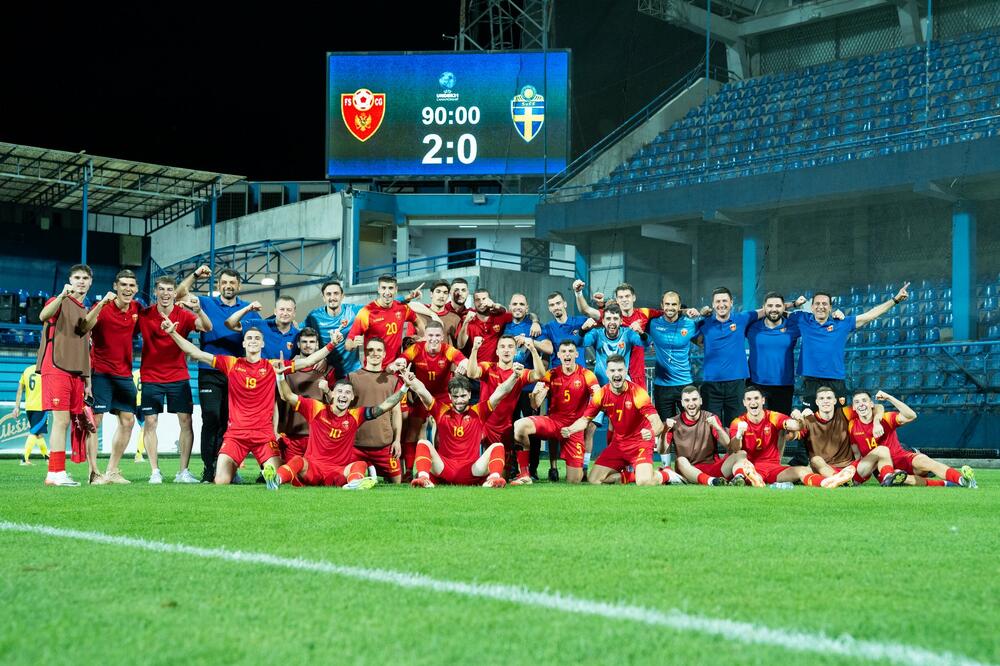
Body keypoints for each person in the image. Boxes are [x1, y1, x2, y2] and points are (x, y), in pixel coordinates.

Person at [264, 369, 407, 490]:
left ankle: (354, 484)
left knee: (361, 464)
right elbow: (288, 396)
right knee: (297, 460)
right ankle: (276, 481)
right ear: (332, 394)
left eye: (347, 393)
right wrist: (280, 376)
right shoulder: (316, 408)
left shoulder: (356, 415)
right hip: (313, 469)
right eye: (340, 391)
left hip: (338, 473)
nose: (343, 395)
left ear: (352, 397)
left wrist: (405, 387)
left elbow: (384, 406)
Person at [175, 265, 251, 483]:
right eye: (224, 282)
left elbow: (255, 335)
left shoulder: (247, 308)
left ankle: (227, 468)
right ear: (218, 285)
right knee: (211, 417)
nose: (228, 286)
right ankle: (209, 468)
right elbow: (179, 294)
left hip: (235, 373)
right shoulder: (206, 303)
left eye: (232, 283)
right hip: (209, 370)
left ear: (239, 286)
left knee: (230, 422)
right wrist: (196, 275)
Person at [788, 283, 909, 410]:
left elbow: (870, 315)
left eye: (825, 304)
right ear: (812, 307)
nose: (821, 307)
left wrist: (895, 300)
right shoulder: (802, 319)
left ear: (830, 308)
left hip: (836, 381)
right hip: (811, 381)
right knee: (809, 418)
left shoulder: (842, 323)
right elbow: (775, 312)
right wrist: (793, 304)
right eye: (817, 303)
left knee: (840, 419)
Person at [137, 276, 211, 484]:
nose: (165, 293)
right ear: (155, 292)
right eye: (161, 289)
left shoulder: (183, 315)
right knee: (150, 422)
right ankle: (155, 471)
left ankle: (183, 472)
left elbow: (207, 327)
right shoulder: (144, 314)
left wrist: (199, 310)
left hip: (178, 376)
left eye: (169, 289)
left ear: (174, 293)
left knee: (186, 421)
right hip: (151, 376)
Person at [406, 369, 522, 489]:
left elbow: (501, 392)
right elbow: (422, 392)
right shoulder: (441, 410)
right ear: (449, 396)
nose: (459, 400)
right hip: (445, 468)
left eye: (463, 396)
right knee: (423, 443)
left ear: (469, 394)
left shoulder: (479, 412)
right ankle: (424, 479)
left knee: (498, 446)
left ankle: (494, 479)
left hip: (471, 470)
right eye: (455, 396)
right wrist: (410, 379)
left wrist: (515, 376)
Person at [560, 356, 666, 485]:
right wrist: (570, 429)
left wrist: (651, 432)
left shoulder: (638, 394)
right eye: (613, 370)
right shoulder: (601, 394)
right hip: (619, 445)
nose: (616, 374)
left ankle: (665, 474)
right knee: (594, 480)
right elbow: (584, 420)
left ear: (625, 371)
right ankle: (630, 476)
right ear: (607, 373)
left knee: (644, 482)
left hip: (640, 443)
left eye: (620, 370)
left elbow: (658, 424)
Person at [81, 269, 141, 484]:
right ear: (115, 286)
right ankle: (94, 473)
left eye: (131, 285)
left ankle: (112, 471)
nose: (127, 289)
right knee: (95, 422)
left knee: (128, 421)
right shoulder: (103, 308)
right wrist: (100, 305)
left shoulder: (137, 309)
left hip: (124, 374)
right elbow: (83, 327)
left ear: (136, 288)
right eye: (123, 284)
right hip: (100, 373)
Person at [37, 264, 94, 487]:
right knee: (60, 421)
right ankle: (57, 472)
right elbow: (43, 315)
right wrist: (61, 295)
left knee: (65, 421)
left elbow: (85, 350)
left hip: (75, 372)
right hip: (56, 367)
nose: (81, 281)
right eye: (77, 277)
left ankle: (55, 473)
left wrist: (87, 382)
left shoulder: (84, 310)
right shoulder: (58, 300)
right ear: (70, 280)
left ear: (90, 282)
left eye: (85, 278)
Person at [513, 340, 601, 484]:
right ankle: (524, 474)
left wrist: (585, 419)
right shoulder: (551, 374)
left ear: (576, 354)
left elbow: (598, 398)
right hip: (553, 423)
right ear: (559, 355)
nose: (567, 355)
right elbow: (535, 404)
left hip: (574, 429)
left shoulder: (587, 374)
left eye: (571, 351)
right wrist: (535, 396)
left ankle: (580, 470)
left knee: (574, 480)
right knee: (519, 426)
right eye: (564, 352)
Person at [848, 390, 977, 488]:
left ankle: (963, 480)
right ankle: (947, 484)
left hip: (902, 457)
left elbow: (911, 415)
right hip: (883, 468)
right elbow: (857, 454)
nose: (861, 404)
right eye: (857, 402)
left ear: (871, 404)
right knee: (905, 478)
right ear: (853, 407)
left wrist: (889, 398)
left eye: (864, 400)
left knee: (925, 460)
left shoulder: (885, 418)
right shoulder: (852, 426)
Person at [730, 386, 850, 488]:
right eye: (749, 399)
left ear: (763, 400)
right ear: (744, 402)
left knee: (804, 470)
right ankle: (752, 478)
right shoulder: (738, 422)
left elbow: (795, 426)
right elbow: (734, 449)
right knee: (739, 462)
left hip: (774, 468)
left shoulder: (773, 416)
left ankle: (826, 482)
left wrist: (799, 418)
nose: (753, 402)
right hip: (750, 467)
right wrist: (739, 434)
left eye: (756, 398)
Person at [466, 334, 545, 484]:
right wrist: (474, 349)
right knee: (476, 476)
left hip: (505, 428)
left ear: (515, 351)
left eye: (510, 347)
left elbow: (540, 374)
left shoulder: (520, 373)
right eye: (502, 347)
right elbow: (471, 373)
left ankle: (524, 474)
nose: (506, 350)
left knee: (502, 476)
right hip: (484, 425)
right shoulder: (488, 367)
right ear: (497, 352)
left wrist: (533, 350)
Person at [392, 320, 468, 476]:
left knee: (443, 433)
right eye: (430, 335)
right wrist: (399, 362)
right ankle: (408, 472)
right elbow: (403, 358)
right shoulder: (417, 348)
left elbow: (464, 361)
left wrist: (464, 364)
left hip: (443, 397)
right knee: (412, 431)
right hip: (422, 395)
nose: (434, 339)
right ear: (425, 336)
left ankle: (442, 470)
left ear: (442, 337)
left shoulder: (447, 350)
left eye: (437, 336)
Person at [579, 303, 646, 472]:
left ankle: (626, 465)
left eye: (615, 318)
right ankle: (585, 467)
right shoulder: (597, 333)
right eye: (608, 318)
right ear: (603, 321)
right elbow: (581, 342)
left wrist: (641, 332)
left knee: (621, 428)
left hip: (622, 390)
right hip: (600, 389)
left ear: (621, 320)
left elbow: (644, 342)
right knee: (590, 427)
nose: (612, 322)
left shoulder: (627, 333)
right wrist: (583, 330)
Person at [534, 291, 590, 481]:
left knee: (585, 423)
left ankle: (583, 466)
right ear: (549, 308)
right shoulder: (548, 327)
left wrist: (593, 316)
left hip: (580, 381)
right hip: (557, 381)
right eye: (552, 304)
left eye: (558, 303)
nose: (556, 307)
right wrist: (534, 320)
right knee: (553, 424)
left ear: (565, 304)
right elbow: (545, 348)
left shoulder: (578, 322)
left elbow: (595, 317)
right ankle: (553, 467)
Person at [694, 287, 761, 427]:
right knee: (711, 428)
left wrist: (793, 304)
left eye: (725, 301)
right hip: (711, 384)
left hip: (736, 384)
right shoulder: (704, 323)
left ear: (731, 302)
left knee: (737, 427)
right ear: (712, 304)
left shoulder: (742, 318)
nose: (721, 304)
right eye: (718, 301)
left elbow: (767, 310)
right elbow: (694, 338)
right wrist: (700, 315)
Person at [662, 385, 751, 486]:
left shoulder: (710, 417)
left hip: (713, 467)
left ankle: (739, 478)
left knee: (741, 453)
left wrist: (717, 427)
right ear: (682, 403)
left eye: (694, 399)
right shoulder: (673, 422)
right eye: (687, 400)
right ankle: (711, 481)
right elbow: (662, 450)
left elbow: (728, 446)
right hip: (689, 470)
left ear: (700, 401)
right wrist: (665, 430)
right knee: (680, 461)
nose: (691, 403)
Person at [574, 281, 659, 384]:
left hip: (635, 374)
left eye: (627, 296)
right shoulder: (600, 329)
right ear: (603, 320)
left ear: (634, 297)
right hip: (606, 380)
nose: (624, 300)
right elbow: (585, 310)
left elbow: (667, 313)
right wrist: (578, 293)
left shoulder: (642, 315)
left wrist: (642, 332)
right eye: (621, 297)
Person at [346, 274, 436, 367]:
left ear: (396, 289)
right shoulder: (366, 312)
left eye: (390, 288)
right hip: (374, 369)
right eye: (383, 288)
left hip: (395, 367)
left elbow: (417, 322)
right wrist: (353, 345)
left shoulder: (402, 308)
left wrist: (424, 337)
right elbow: (348, 344)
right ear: (378, 289)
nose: (387, 292)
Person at [349, 337, 404, 483]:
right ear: (365, 353)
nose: (375, 353)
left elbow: (396, 412)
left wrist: (397, 440)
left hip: (384, 446)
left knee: (397, 484)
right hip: (356, 446)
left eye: (379, 350)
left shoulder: (393, 380)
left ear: (384, 354)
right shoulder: (352, 377)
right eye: (371, 350)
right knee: (351, 482)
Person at [503, 293, 545, 479]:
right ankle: (513, 467)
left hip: (529, 387)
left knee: (532, 428)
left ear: (527, 308)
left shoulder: (534, 327)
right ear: (510, 307)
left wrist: (535, 321)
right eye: (515, 304)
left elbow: (546, 349)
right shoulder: (505, 326)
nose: (518, 307)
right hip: (509, 386)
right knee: (509, 427)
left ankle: (532, 469)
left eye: (522, 304)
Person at [647, 291, 702, 430]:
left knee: (692, 427)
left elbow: (704, 341)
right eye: (667, 304)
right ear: (662, 305)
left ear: (679, 306)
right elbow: (631, 317)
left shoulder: (690, 324)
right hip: (662, 386)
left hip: (685, 384)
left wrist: (700, 315)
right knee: (666, 429)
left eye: (673, 304)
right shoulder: (653, 323)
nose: (670, 307)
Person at [275, 327, 328, 462]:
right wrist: (275, 431)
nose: (308, 345)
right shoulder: (286, 369)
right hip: (291, 435)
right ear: (298, 344)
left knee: (315, 472)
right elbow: (276, 401)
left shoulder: (327, 370)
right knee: (289, 472)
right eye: (304, 342)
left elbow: (333, 402)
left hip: (317, 435)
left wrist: (328, 391)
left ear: (317, 345)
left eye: (312, 342)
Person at [745, 292, 803, 417]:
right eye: (770, 305)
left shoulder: (793, 326)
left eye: (778, 306)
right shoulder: (751, 327)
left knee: (781, 425)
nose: (774, 309)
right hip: (756, 385)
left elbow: (815, 321)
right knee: (757, 425)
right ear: (763, 307)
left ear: (783, 307)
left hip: (784, 386)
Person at [304, 280, 362, 378]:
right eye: (328, 294)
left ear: (342, 296)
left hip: (353, 372)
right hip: (327, 372)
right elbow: (299, 333)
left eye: (336, 293)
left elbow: (377, 308)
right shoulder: (314, 316)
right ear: (323, 298)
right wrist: (321, 358)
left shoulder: (353, 311)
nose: (332, 298)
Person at [224, 295, 300, 359]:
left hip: (283, 372)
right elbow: (230, 323)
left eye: (289, 310)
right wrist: (247, 309)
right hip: (258, 372)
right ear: (275, 311)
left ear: (294, 313)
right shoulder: (259, 325)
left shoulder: (298, 335)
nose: (285, 313)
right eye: (282, 309)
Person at [13, 363, 49, 465]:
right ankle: (24, 458)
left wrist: (17, 407)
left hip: (29, 407)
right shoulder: (45, 370)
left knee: (38, 434)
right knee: (34, 432)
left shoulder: (27, 370)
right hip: (41, 406)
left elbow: (20, 389)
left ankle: (47, 457)